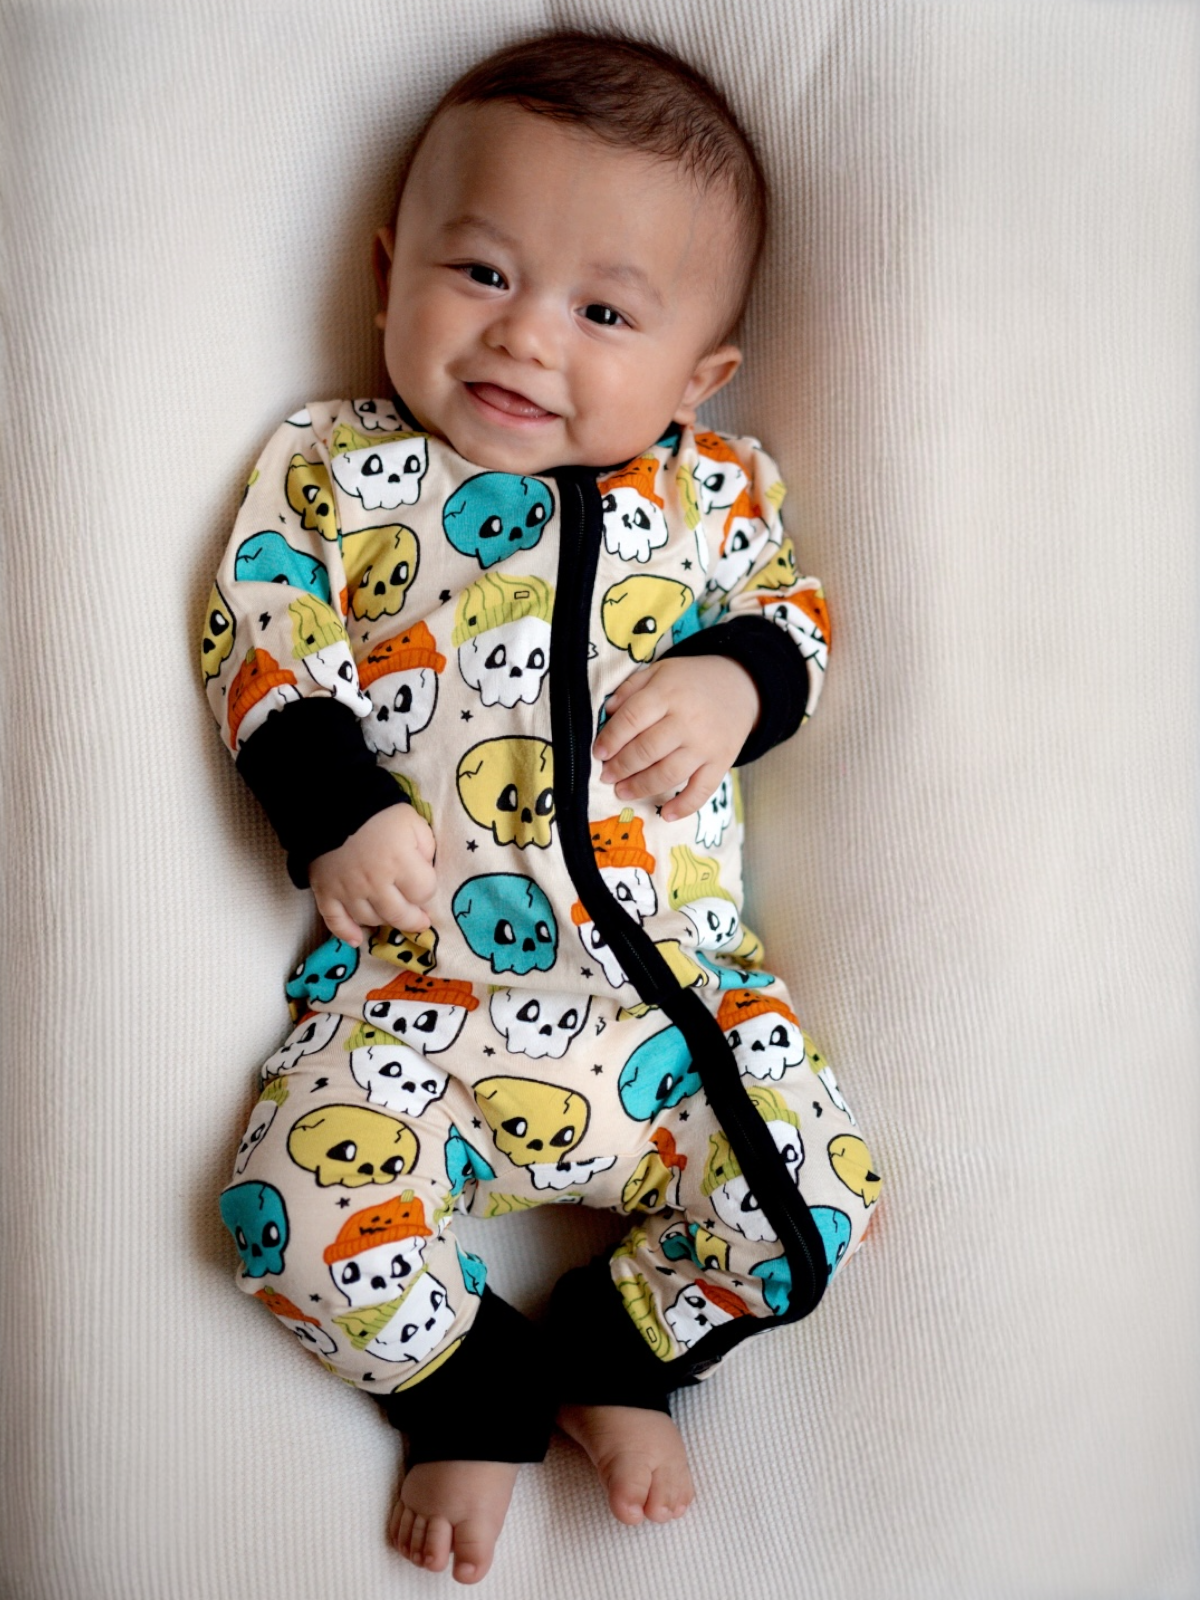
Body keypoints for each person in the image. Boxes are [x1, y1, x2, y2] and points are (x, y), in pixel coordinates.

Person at [202, 29, 881, 1586]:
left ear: (698, 375)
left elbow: (796, 616)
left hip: (677, 1016)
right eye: (481, 274)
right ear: (388, 273)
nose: (525, 341)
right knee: (280, 1211)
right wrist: (334, 810)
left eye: (603, 312)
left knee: (820, 1199)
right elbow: (261, 636)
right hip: (420, 1002)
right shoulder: (341, 472)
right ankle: (469, 1379)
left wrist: (733, 681)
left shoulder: (716, 492)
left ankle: (615, 1349)